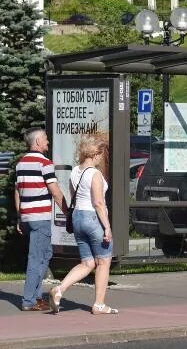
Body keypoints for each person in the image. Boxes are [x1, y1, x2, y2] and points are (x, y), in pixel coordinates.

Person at [49, 135, 116, 314]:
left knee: (87, 263)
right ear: (96, 153)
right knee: (103, 261)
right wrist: (107, 227)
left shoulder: (75, 172)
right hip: (93, 218)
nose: (103, 158)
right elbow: (99, 203)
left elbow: (73, 196)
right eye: (102, 154)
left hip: (78, 217)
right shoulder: (95, 174)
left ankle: (59, 289)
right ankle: (99, 304)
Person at [15, 127, 67, 312]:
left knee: (46, 254)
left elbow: (18, 192)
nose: (48, 142)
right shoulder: (44, 163)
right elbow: (54, 191)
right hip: (40, 217)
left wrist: (20, 216)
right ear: (37, 142)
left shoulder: (21, 164)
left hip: (28, 217)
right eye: (45, 139)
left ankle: (36, 297)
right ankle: (29, 300)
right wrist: (68, 212)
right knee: (36, 258)